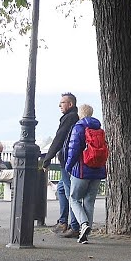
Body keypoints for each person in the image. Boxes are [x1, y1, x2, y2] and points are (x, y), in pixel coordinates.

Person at [64, 103, 107, 245]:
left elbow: (73, 150)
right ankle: (86, 233)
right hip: (97, 170)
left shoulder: (79, 127)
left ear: (80, 114)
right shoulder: (99, 129)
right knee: (89, 201)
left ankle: (83, 224)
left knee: (74, 199)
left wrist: (68, 166)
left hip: (81, 170)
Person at [39, 92, 78, 233]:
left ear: (70, 104)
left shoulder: (69, 118)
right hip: (69, 160)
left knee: (70, 193)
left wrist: (47, 158)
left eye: (62, 102)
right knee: (61, 189)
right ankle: (63, 222)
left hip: (67, 161)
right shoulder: (74, 117)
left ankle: (74, 226)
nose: (59, 105)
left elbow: (59, 138)